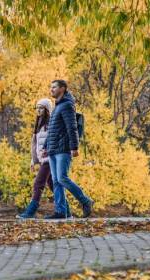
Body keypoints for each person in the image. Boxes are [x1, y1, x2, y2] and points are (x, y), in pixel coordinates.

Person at [42, 80, 93, 219]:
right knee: (56, 181)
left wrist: (74, 147)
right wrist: (46, 146)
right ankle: (60, 212)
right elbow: (53, 129)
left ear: (62, 88)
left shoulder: (67, 105)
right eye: (50, 87)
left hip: (63, 149)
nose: (51, 89)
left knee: (62, 178)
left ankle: (85, 201)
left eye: (54, 87)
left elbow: (72, 127)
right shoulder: (57, 106)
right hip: (53, 149)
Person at [16, 99, 71, 219]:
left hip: (49, 159)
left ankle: (30, 212)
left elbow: (56, 139)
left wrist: (50, 151)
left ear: (47, 109)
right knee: (52, 185)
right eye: (37, 108)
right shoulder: (39, 124)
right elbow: (35, 145)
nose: (38, 110)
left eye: (41, 108)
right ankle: (67, 212)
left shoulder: (51, 123)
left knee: (38, 184)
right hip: (42, 160)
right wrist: (33, 160)